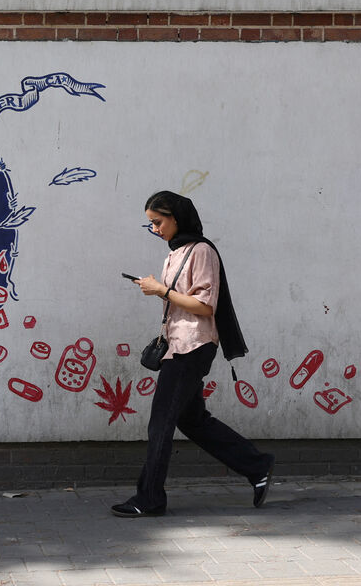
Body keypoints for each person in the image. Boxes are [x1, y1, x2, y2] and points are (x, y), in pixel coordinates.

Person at [111, 190, 274, 517]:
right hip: (178, 344)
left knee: (161, 422)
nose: (155, 229)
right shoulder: (175, 253)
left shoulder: (201, 251)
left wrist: (161, 290)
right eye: (150, 225)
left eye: (158, 222)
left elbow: (204, 305)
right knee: (192, 420)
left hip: (193, 346)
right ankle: (257, 466)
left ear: (176, 216)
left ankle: (150, 499)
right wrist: (158, 288)